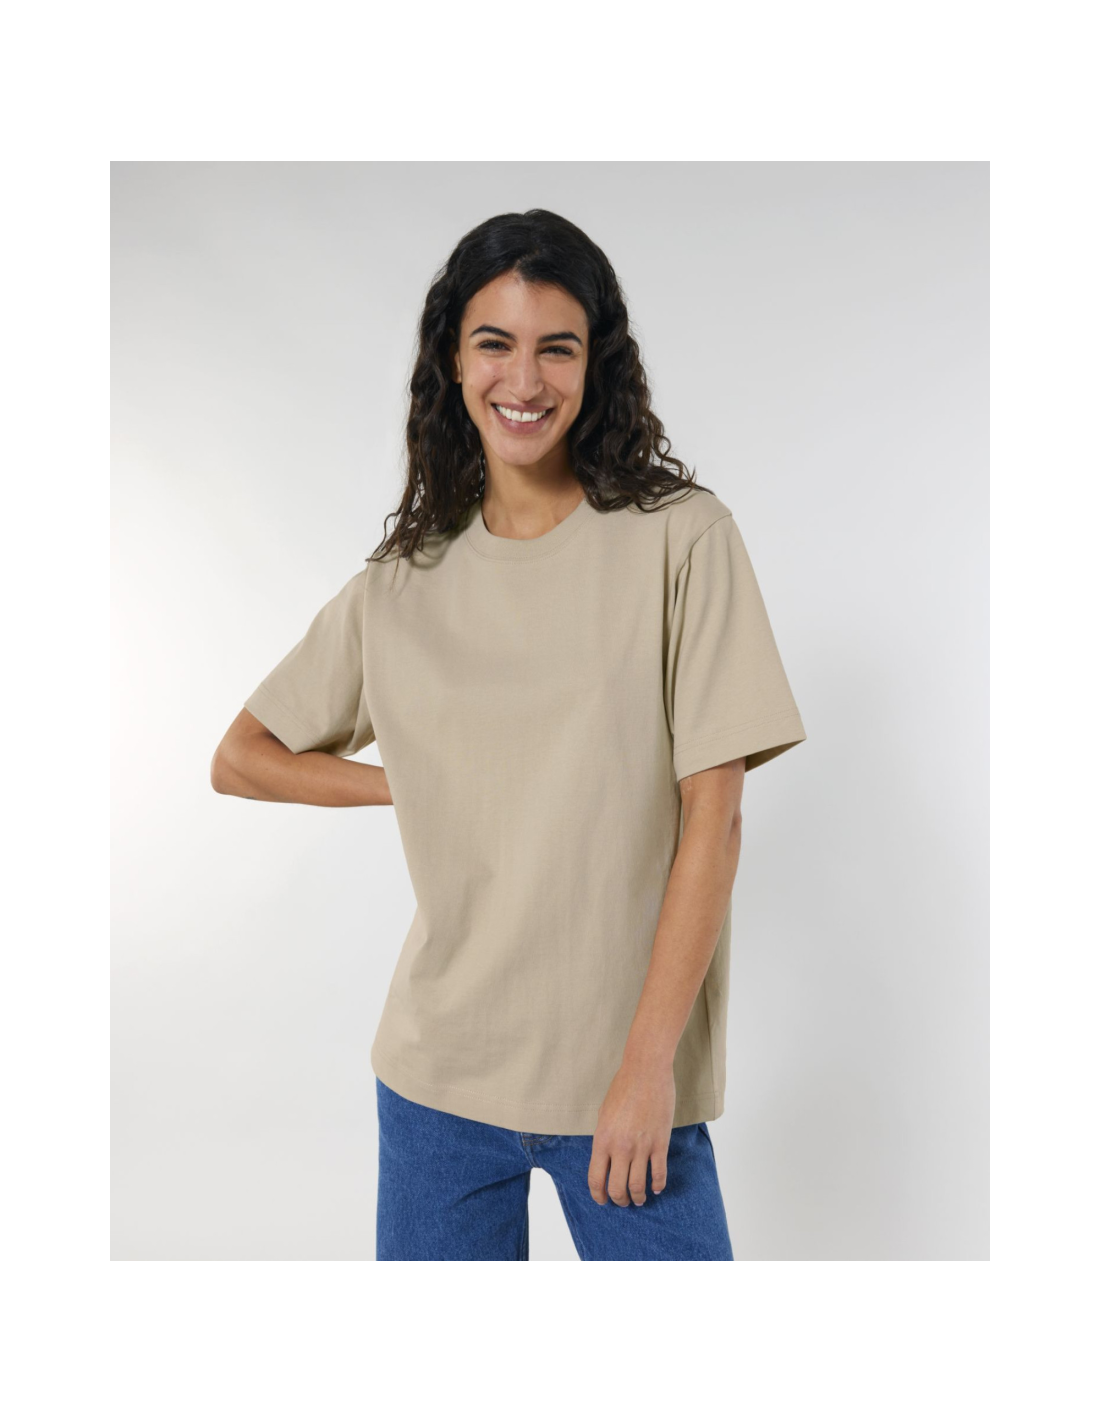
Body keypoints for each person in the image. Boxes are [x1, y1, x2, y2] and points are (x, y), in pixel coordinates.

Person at [211, 209, 807, 1261]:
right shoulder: (400, 585)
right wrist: (413, 781)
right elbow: (242, 757)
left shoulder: (683, 541)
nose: (523, 379)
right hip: (435, 1086)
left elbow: (712, 822)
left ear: (596, 363)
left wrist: (647, 1069)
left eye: (556, 347)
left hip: (621, 1085)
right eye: (494, 343)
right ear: (452, 360)